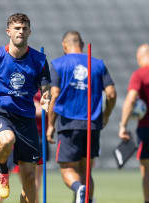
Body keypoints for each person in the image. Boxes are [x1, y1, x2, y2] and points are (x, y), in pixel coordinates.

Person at [0, 13, 51, 203]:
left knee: (30, 178)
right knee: (6, 140)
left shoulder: (39, 59)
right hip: (1, 113)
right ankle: (3, 169)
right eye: (17, 28)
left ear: (29, 31)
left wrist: (47, 98)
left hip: (26, 118)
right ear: (8, 32)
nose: (20, 31)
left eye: (24, 28)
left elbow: (45, 88)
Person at [46, 31, 116, 203]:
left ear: (64, 45)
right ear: (82, 44)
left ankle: (79, 189)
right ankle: (87, 197)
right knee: (86, 172)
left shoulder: (58, 64)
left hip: (68, 124)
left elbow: (54, 95)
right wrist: (105, 116)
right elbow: (111, 94)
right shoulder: (98, 64)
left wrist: (50, 125)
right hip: (92, 124)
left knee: (67, 169)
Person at [119, 44, 149, 203]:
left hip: (146, 128)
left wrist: (123, 125)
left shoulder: (140, 74)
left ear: (140, 57)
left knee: (146, 169)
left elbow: (131, 100)